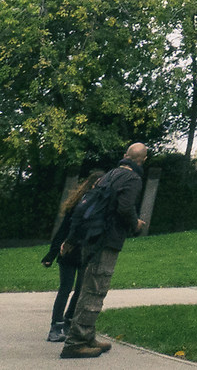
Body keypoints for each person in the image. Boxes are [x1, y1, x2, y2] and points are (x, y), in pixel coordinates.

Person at [58, 144, 149, 360]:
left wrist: (72, 239)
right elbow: (125, 207)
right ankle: (76, 343)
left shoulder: (109, 175)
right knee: (96, 290)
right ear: (143, 160)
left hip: (91, 237)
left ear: (125, 156)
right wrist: (135, 224)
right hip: (107, 239)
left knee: (88, 288)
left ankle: (87, 336)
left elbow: (84, 207)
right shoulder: (133, 179)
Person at [40, 177, 93, 343]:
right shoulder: (78, 207)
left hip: (84, 252)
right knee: (66, 288)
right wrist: (51, 254)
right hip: (69, 252)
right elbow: (63, 230)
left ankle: (68, 320)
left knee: (80, 289)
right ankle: (56, 325)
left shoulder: (97, 207)